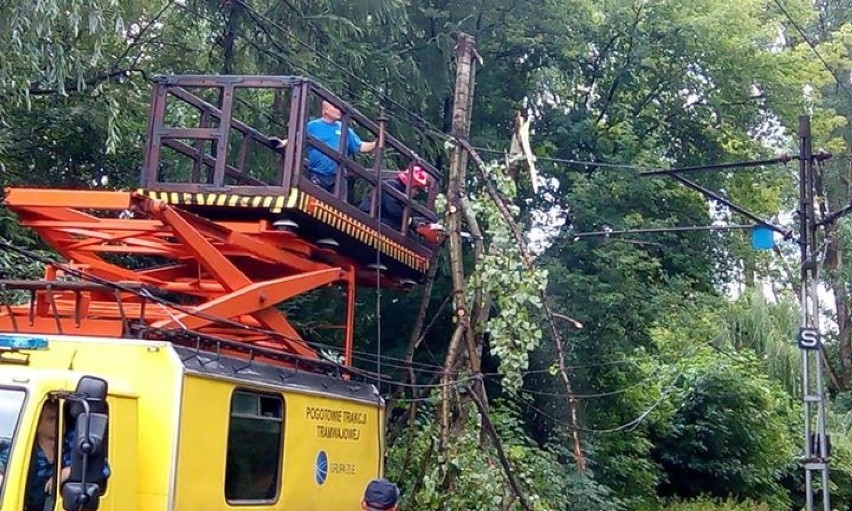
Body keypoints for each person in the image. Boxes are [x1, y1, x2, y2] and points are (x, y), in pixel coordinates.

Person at [0, 401, 72, 511]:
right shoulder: (23, 449)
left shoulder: (71, 447)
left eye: (61, 417)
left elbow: (102, 467)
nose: (59, 422)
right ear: (37, 425)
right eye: (51, 419)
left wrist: (68, 471)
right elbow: (3, 466)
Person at [305, 101, 376, 196]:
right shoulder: (312, 126)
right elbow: (297, 139)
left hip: (339, 176)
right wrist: (283, 143)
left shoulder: (344, 128)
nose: (339, 110)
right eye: (335, 107)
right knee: (315, 205)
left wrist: (376, 144)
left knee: (338, 209)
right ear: (325, 110)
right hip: (318, 174)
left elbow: (360, 146)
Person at [358, 164, 432, 231]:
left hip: (380, 219)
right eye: (417, 189)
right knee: (406, 232)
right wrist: (412, 223)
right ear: (411, 184)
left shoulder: (400, 190)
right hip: (369, 218)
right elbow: (394, 209)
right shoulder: (392, 185)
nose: (417, 193)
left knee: (408, 233)